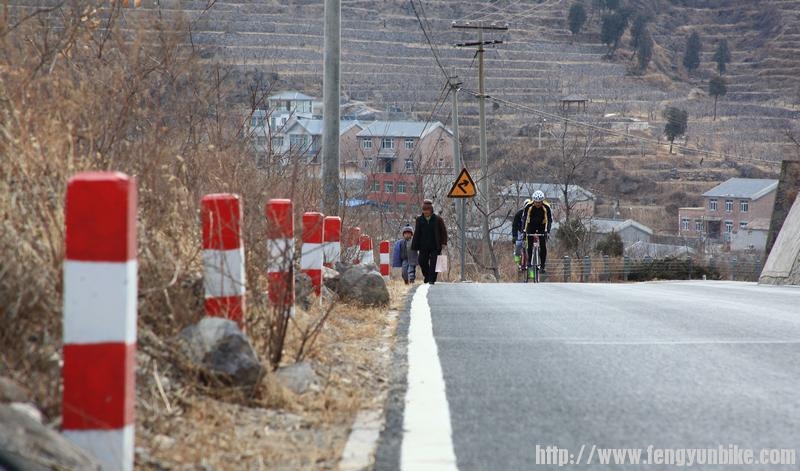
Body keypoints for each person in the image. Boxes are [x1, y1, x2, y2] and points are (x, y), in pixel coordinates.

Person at [411, 199, 448, 285]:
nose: (425, 212)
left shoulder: (438, 219)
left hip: (435, 245)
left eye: (427, 210)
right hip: (423, 245)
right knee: (422, 261)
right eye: (424, 210)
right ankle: (427, 276)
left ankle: (432, 279)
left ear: (431, 210)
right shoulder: (419, 220)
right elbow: (417, 233)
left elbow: (443, 231)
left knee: (435, 262)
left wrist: (443, 242)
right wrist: (415, 245)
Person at [523, 190, 553, 273]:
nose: (538, 204)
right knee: (529, 242)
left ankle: (542, 265)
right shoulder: (528, 206)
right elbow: (525, 219)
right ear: (533, 201)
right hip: (531, 224)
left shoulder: (546, 207)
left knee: (543, 245)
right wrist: (524, 231)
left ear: (542, 201)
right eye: (536, 202)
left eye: (539, 202)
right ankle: (529, 262)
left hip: (542, 225)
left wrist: (547, 231)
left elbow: (549, 219)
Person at [511, 198, 533, 266]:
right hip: (520, 231)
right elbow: (514, 225)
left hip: (531, 232)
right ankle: (517, 260)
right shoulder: (519, 214)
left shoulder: (534, 213)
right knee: (518, 244)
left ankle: (535, 260)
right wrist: (514, 236)